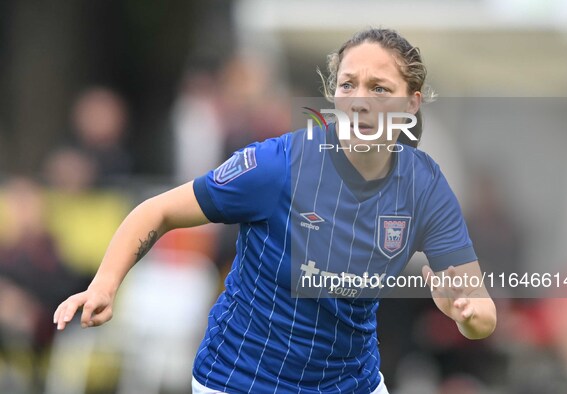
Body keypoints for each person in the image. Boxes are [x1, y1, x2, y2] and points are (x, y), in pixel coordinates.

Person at [53, 28, 496, 394]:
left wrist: (465, 314)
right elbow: (157, 211)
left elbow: (481, 313)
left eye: (380, 89)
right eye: (348, 85)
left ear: (411, 104)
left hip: (351, 382)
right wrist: (104, 286)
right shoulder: (277, 166)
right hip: (244, 380)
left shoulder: (424, 185)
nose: (361, 100)